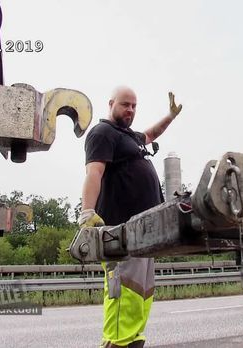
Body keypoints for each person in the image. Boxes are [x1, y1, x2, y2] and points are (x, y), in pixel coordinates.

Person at [79, 86, 183, 348]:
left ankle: (134, 338)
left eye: (135, 106)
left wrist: (170, 117)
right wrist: (87, 213)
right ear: (111, 103)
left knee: (140, 291)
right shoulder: (103, 133)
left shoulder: (130, 137)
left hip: (144, 230)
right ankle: (117, 342)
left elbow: (150, 134)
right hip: (121, 231)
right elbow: (94, 173)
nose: (130, 110)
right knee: (123, 291)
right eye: (125, 104)